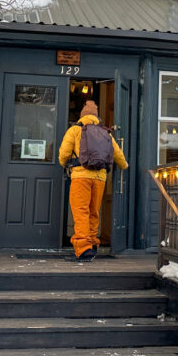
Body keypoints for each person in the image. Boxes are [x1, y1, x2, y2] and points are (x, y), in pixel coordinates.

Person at [58, 100, 128, 261]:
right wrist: (124, 166)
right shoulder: (105, 132)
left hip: (80, 176)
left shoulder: (75, 130)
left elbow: (64, 153)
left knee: (81, 211)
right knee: (93, 212)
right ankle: (93, 243)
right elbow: (118, 154)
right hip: (100, 178)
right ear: (97, 117)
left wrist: (64, 164)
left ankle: (83, 248)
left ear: (82, 115)